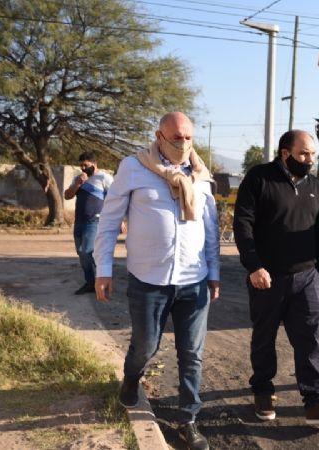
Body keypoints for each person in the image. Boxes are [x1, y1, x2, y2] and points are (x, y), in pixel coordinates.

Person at [94, 112, 219, 450]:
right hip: (148, 280)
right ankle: (132, 378)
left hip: (194, 281)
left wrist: (215, 271)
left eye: (188, 138)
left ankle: (188, 421)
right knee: (146, 347)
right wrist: (102, 269)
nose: (183, 143)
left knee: (192, 353)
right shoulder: (133, 167)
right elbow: (108, 221)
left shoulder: (201, 175)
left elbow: (210, 229)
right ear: (159, 136)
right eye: (176, 137)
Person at [234, 129, 319, 426]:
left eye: (313, 154)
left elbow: (318, 230)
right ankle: (263, 391)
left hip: (307, 277)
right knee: (265, 337)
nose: (310, 160)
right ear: (285, 154)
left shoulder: (314, 185)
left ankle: (316, 401)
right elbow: (243, 224)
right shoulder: (259, 178)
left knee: (310, 339)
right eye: (304, 154)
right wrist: (254, 266)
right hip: (267, 278)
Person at [63, 151, 113, 295]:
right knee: (81, 252)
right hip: (79, 221)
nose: (83, 168)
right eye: (81, 166)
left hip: (95, 221)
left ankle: (97, 281)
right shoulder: (78, 178)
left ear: (94, 164)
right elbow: (67, 196)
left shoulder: (104, 177)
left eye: (86, 165)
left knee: (86, 251)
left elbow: (114, 199)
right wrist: (78, 183)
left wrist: (119, 220)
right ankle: (92, 281)